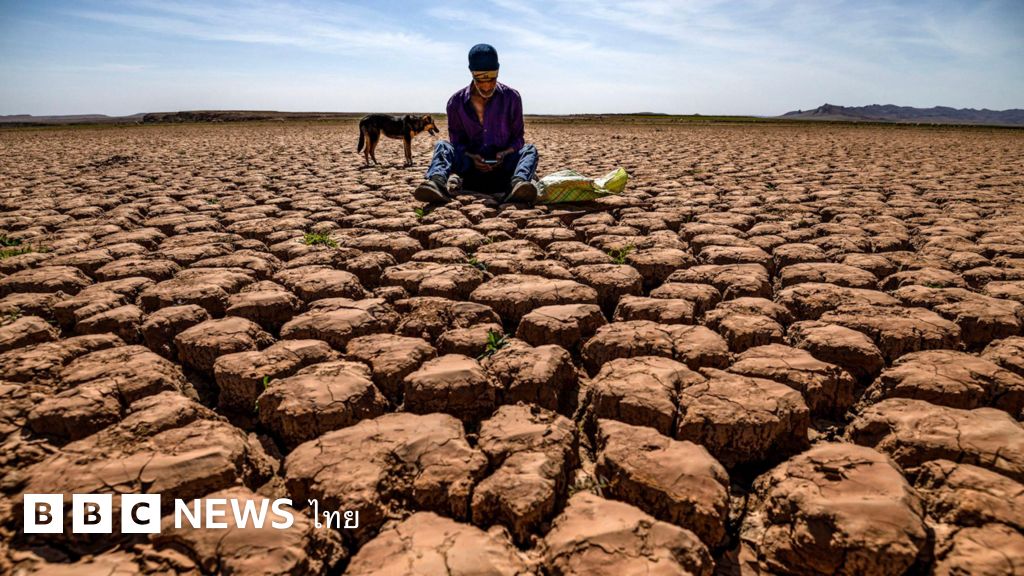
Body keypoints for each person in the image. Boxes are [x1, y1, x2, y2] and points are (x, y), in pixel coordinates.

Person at [414, 44, 539, 204]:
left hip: (504, 170)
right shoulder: (456, 102)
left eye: (492, 79)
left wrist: (504, 153)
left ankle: (518, 185)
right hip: (471, 170)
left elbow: (518, 139)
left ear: (498, 71)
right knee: (443, 146)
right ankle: (436, 183)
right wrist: (472, 157)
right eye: (480, 80)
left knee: (530, 150)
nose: (486, 86)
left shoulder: (512, 98)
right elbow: (457, 142)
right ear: (471, 73)